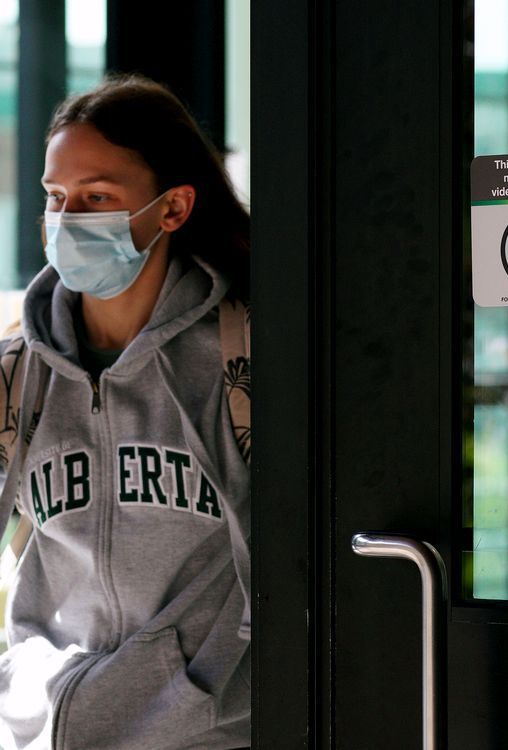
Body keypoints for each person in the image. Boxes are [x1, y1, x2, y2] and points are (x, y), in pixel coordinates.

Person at [0, 75, 250, 749]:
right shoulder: (17, 373)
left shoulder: (243, 364)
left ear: (172, 209)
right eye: (57, 197)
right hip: (41, 732)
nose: (68, 217)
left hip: (198, 733)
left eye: (98, 197)